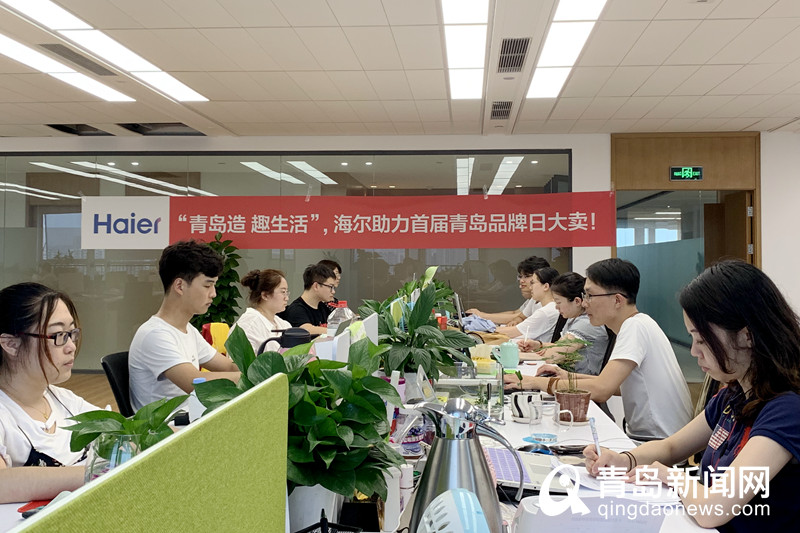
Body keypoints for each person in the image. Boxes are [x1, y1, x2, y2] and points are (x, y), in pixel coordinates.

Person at [585, 261, 800, 531]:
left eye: (702, 340)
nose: (694, 352)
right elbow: (671, 448)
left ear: (746, 336)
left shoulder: (787, 410)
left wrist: (670, 475)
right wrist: (623, 459)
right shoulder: (732, 397)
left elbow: (714, 508)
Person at [506, 258, 692, 442]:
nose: (584, 303)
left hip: (656, 442)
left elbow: (602, 390)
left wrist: (534, 382)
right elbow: (616, 386)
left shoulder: (634, 327)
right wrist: (567, 376)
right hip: (654, 437)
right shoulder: (639, 323)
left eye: (589, 295)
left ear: (617, 300)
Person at [0, 282, 98, 503]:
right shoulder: (5, 413)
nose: (71, 346)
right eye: (58, 335)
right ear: (11, 344)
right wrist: (97, 472)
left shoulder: (64, 400)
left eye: (71, 333)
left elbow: (124, 433)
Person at [128, 241, 240, 411]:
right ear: (180, 286)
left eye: (214, 285)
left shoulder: (188, 330)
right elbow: (195, 383)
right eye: (207, 285)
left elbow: (228, 366)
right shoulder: (155, 334)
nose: (213, 294)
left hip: (193, 417)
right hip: (169, 425)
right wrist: (253, 377)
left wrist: (266, 371)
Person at [519, 272, 608, 375]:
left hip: (581, 380)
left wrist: (517, 356)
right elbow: (560, 346)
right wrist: (539, 345)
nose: (556, 307)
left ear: (577, 301)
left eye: (558, 302)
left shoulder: (586, 323)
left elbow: (553, 356)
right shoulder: (573, 318)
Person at [466, 256, 550, 326]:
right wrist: (482, 316)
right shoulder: (533, 300)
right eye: (520, 277)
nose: (521, 281)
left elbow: (517, 316)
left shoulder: (545, 303)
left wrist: (481, 315)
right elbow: (516, 313)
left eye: (527, 276)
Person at [230, 269, 292, 354]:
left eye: (287, 292)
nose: (287, 298)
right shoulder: (248, 325)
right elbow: (238, 360)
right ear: (265, 295)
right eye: (283, 292)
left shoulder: (284, 324)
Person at [495, 267, 560, 342]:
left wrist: (487, 328)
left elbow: (513, 332)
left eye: (533, 283)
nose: (530, 287)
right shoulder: (550, 307)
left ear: (545, 286)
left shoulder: (546, 312)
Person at [278, 263, 337, 336]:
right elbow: (306, 330)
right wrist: (335, 331)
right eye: (330, 287)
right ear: (316, 286)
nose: (333, 291)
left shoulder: (323, 307)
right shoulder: (296, 309)